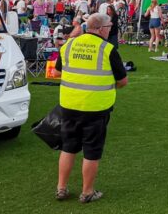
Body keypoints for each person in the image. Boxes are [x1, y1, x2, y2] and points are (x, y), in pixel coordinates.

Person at [54, 12, 129, 204]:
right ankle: (87, 192)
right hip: (95, 107)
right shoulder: (107, 49)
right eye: (109, 27)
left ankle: (61, 188)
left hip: (69, 104)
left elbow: (56, 71)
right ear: (101, 29)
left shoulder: (69, 45)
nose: (110, 30)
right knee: (92, 151)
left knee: (68, 148)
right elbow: (123, 81)